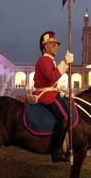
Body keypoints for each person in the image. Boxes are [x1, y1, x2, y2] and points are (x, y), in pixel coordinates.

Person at [32, 31, 74, 162]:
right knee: (64, 117)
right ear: (45, 46)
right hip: (45, 96)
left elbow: (51, 83)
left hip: (50, 92)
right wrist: (65, 62)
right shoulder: (44, 60)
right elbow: (52, 76)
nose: (57, 47)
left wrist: (61, 93)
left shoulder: (50, 61)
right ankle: (56, 151)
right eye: (53, 44)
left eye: (57, 44)